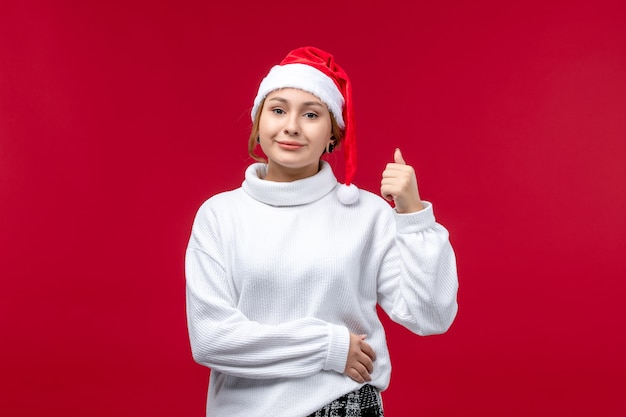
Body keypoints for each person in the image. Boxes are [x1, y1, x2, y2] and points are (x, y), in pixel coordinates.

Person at [185, 46, 459, 417]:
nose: (292, 126)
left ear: (334, 133)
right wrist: (327, 346)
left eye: (311, 114)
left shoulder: (367, 214)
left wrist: (413, 215)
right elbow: (211, 339)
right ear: (258, 122)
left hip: (343, 406)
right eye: (278, 110)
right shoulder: (220, 216)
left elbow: (430, 315)